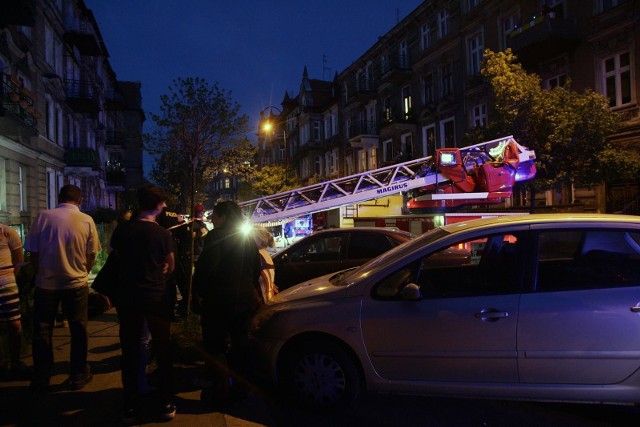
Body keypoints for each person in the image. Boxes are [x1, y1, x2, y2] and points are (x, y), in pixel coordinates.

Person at [24, 184, 101, 393]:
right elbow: (92, 254)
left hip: (46, 284)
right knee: (78, 329)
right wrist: (82, 271)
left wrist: (41, 273)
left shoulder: (43, 217)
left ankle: (42, 375)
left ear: (59, 198)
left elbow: (33, 253)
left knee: (42, 329)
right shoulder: (86, 220)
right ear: (80, 200)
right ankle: (78, 373)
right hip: (75, 283)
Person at [110, 185, 176, 423]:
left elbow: (115, 256)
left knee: (129, 348)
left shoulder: (123, 230)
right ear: (158, 204)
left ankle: (130, 403)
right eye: (164, 202)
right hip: (155, 298)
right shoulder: (162, 234)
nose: (166, 206)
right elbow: (171, 265)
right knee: (162, 347)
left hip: (127, 297)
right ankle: (166, 401)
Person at [192, 201, 261, 404]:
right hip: (243, 300)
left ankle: (220, 389)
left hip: (218, 300)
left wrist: (200, 292)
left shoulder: (214, 237)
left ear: (224, 216)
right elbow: (255, 268)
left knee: (215, 345)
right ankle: (242, 390)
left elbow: (206, 269)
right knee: (240, 344)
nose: (212, 219)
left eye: (215, 215)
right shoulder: (247, 237)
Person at [0, 223, 30, 380]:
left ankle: (15, 361)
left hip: (6, 284)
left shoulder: (7, 232)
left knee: (14, 324)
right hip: (7, 282)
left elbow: (18, 261)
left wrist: (11, 278)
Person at [253, 226, 278, 303]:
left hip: (262, 303)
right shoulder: (265, 253)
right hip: (270, 298)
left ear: (258, 240)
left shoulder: (257, 255)